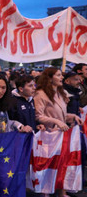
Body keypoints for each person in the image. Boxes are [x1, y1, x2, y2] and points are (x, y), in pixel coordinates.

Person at [34, 68, 83, 197]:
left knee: (60, 164)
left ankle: (60, 191)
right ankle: (45, 192)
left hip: (60, 135)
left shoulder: (60, 93)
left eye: (61, 75)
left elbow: (62, 115)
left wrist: (72, 116)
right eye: (58, 75)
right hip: (47, 135)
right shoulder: (40, 93)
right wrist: (57, 121)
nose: (62, 77)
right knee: (48, 166)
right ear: (49, 78)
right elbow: (38, 116)